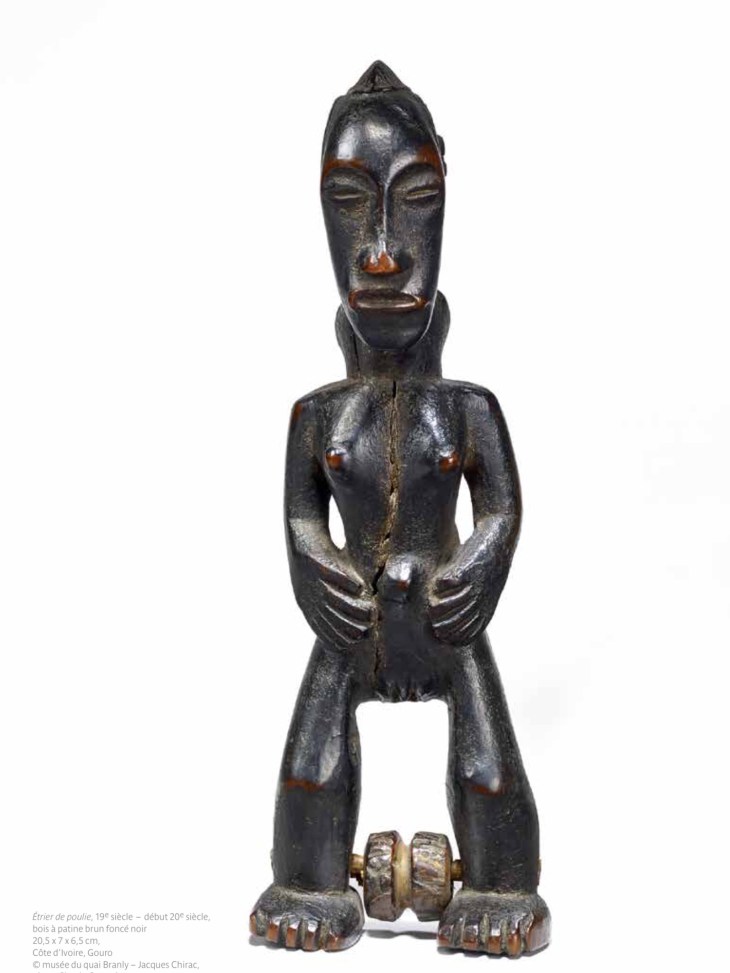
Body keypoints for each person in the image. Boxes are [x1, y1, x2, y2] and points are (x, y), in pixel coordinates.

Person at [250, 61, 550, 956]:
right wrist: (313, 560)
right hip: (352, 626)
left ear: (442, 205)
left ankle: (500, 883)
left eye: (415, 198)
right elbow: (301, 518)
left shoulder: (468, 409)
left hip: (448, 624)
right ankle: (309, 880)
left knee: (489, 772)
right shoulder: (317, 417)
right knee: (310, 772)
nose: (381, 253)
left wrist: (483, 557)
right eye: (348, 204)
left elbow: (501, 507)